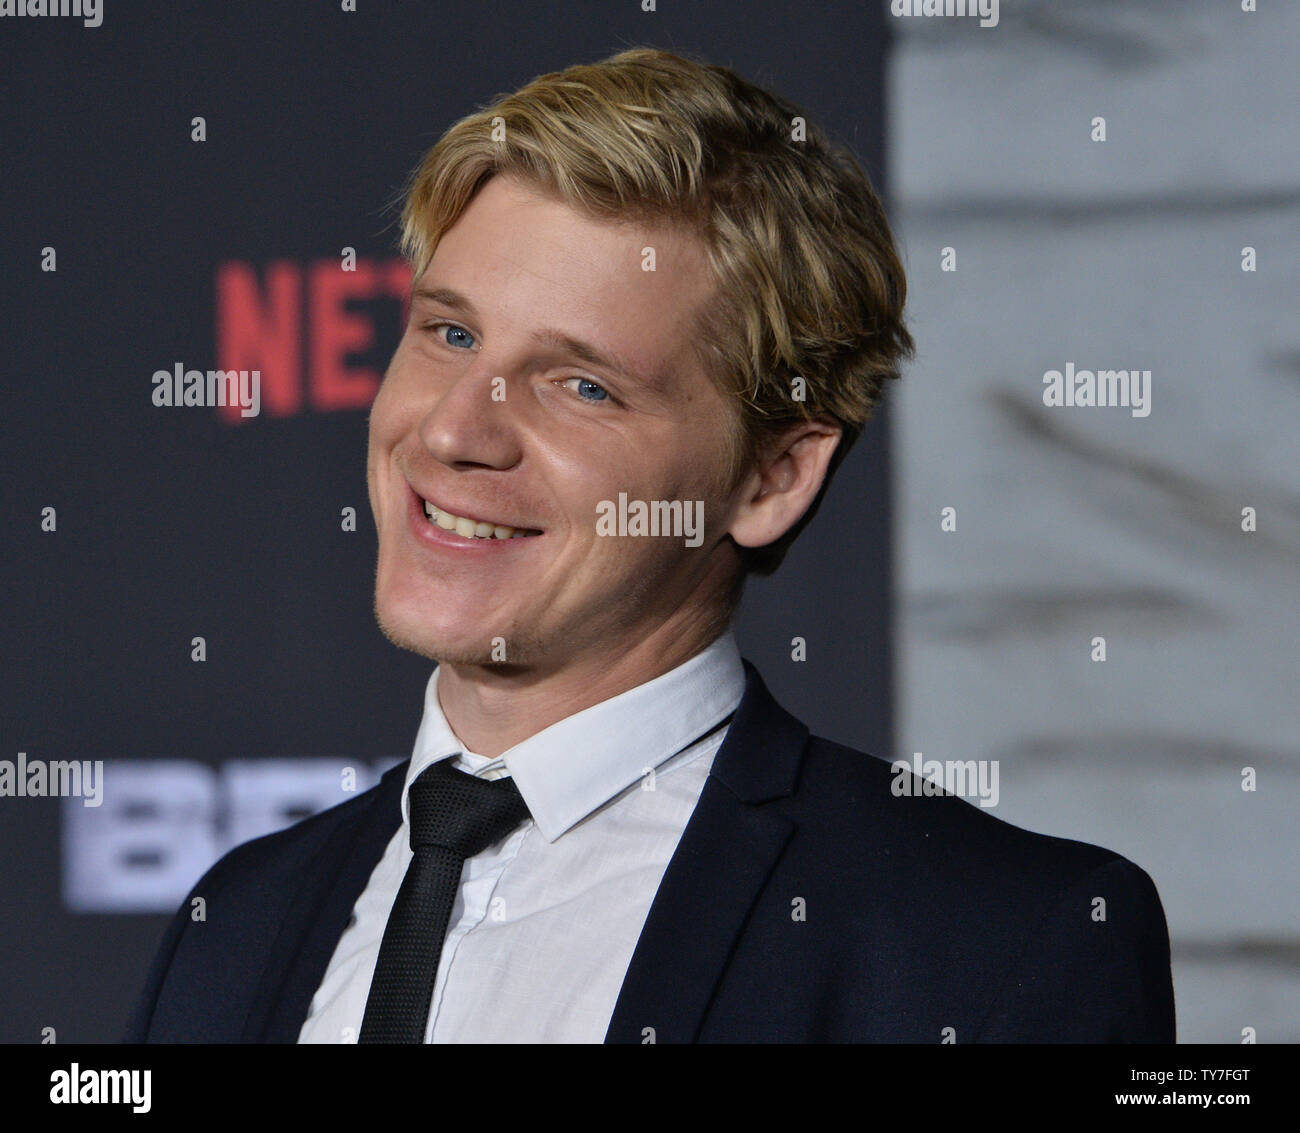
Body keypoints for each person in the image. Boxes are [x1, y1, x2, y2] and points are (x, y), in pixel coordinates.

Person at [123, 47, 1174, 1043]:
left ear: (771, 479)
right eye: (449, 333)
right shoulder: (239, 918)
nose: (451, 430)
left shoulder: (997, 945)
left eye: (581, 384)